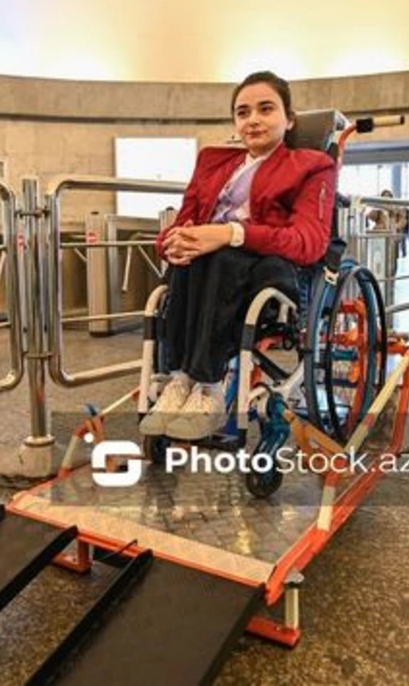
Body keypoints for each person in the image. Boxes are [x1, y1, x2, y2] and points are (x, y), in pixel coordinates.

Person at [140, 71, 337, 441]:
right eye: (243, 112)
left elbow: (308, 241)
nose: (253, 120)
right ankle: (180, 380)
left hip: (267, 269)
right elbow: (183, 222)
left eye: (266, 109)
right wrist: (173, 242)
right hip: (204, 270)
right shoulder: (213, 163)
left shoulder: (311, 166)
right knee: (191, 255)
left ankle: (209, 387)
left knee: (220, 256)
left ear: (289, 119)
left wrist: (230, 233)